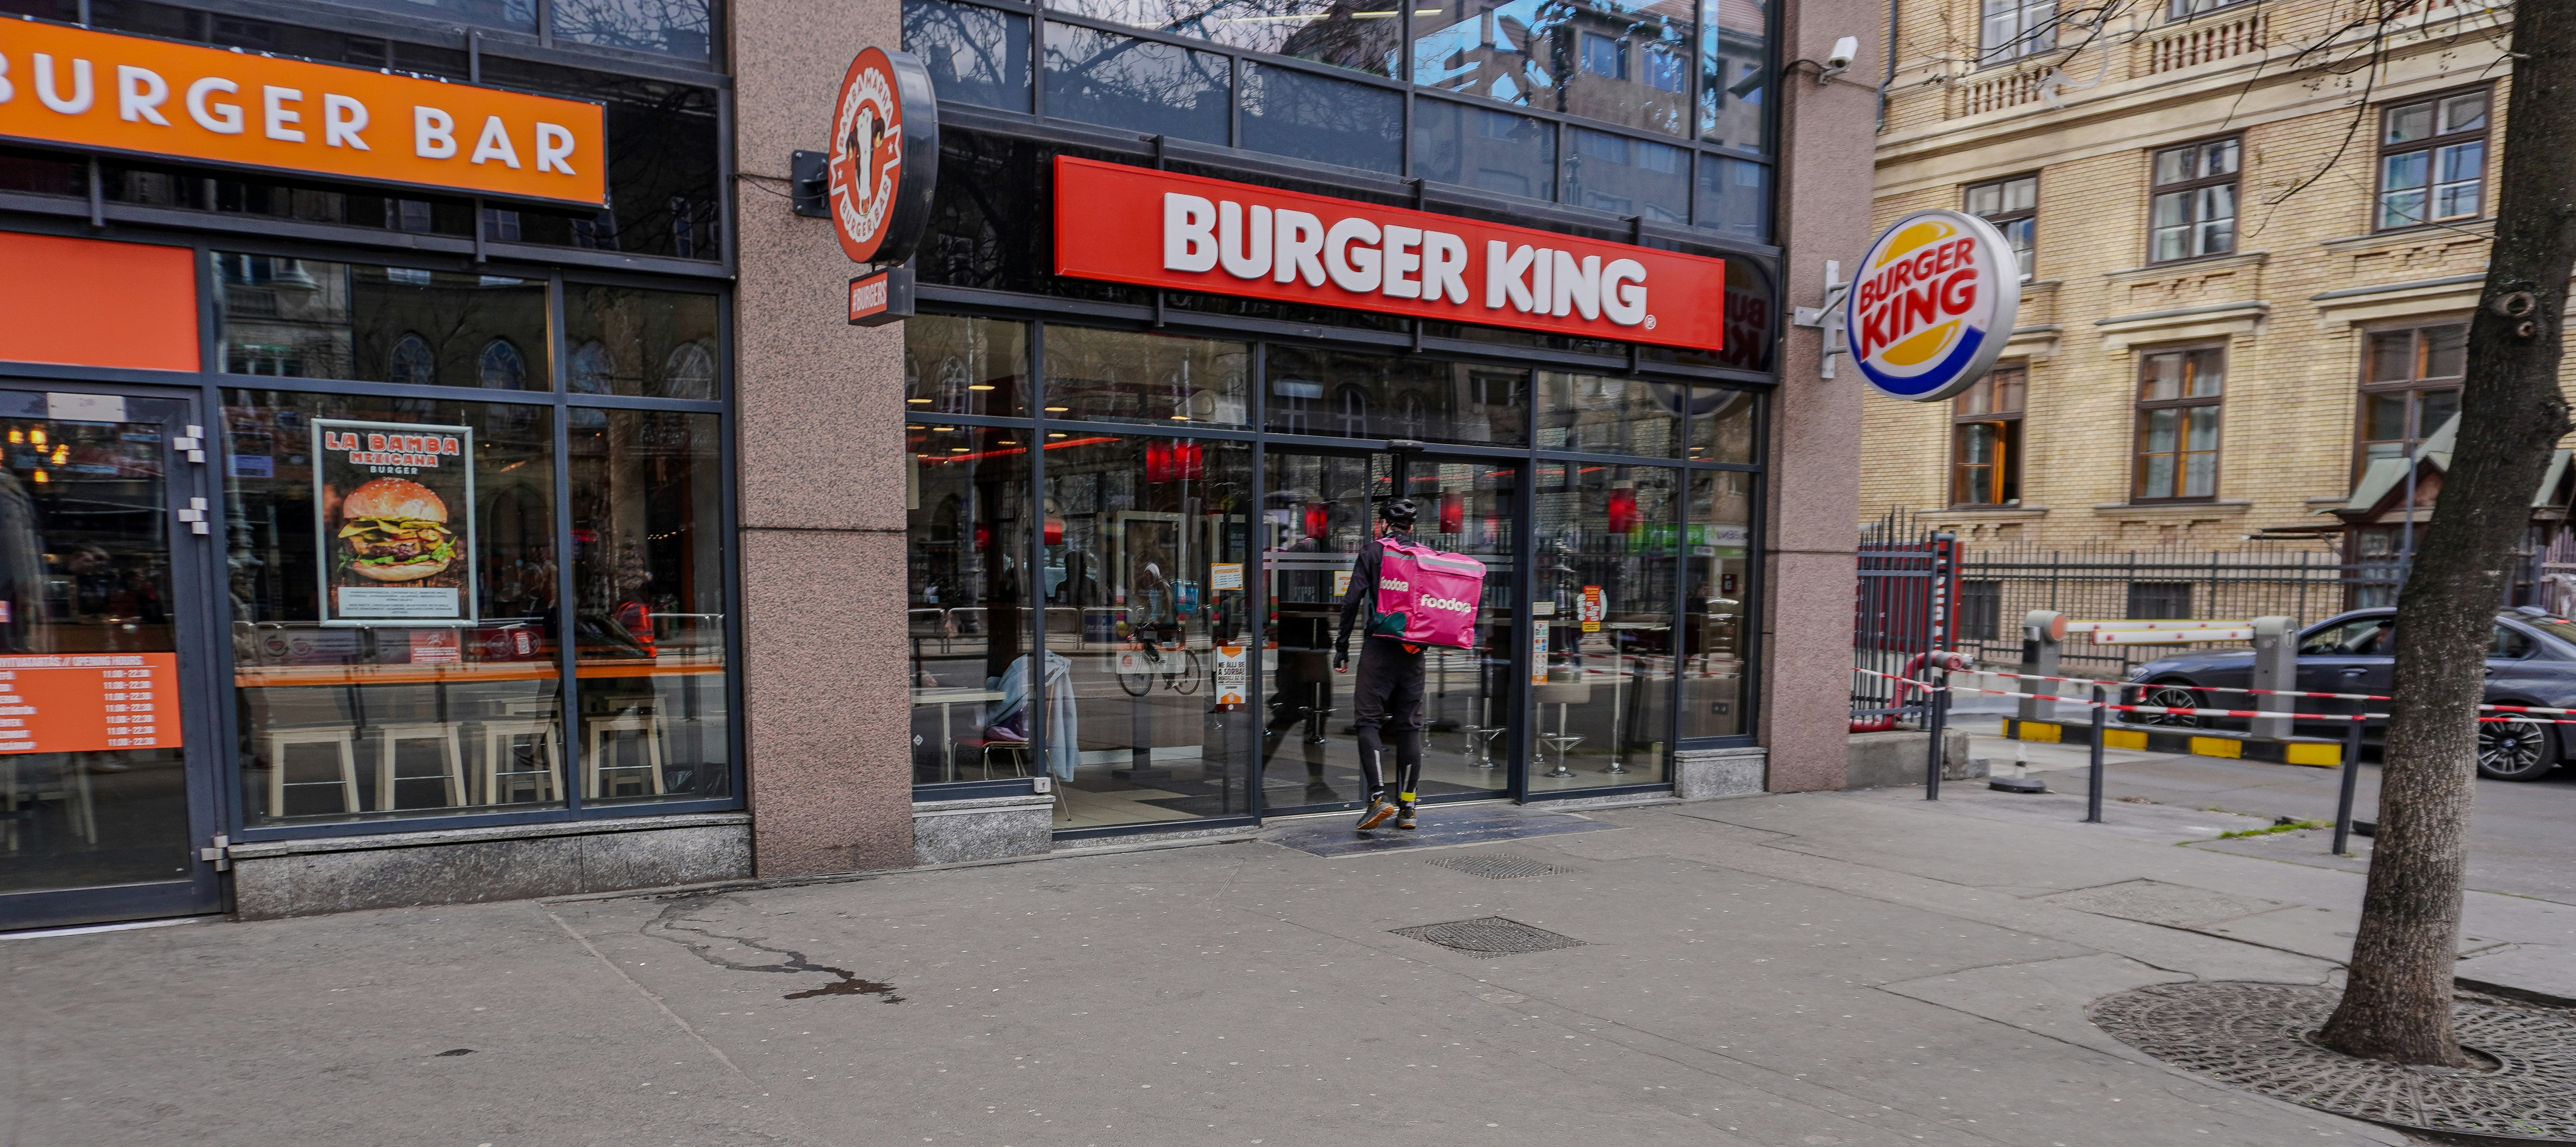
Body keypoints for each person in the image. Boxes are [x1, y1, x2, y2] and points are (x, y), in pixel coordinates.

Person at [1336, 496, 1426, 831]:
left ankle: (1378, 796)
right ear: (1412, 527)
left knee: (1368, 721)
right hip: (1414, 653)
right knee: (1409, 726)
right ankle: (1408, 807)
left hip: (1379, 649)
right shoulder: (1424, 556)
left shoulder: (1374, 552)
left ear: (1384, 524)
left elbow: (1351, 602)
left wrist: (1341, 646)